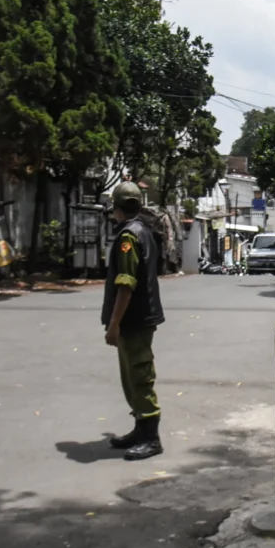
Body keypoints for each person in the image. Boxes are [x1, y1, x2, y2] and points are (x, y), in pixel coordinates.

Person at [102, 181, 166, 461]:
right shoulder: (144, 231)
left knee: (139, 377)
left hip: (134, 319)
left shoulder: (129, 236)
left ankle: (151, 438)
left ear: (116, 208)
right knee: (131, 376)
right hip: (139, 317)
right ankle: (141, 429)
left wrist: (115, 323)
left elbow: (126, 284)